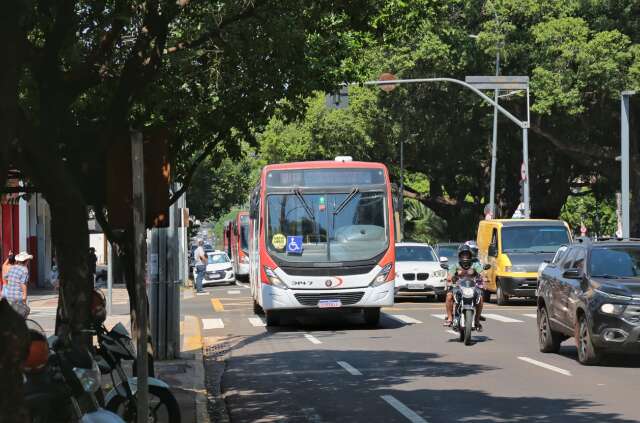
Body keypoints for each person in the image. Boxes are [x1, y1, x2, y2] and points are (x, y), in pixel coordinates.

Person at [444, 244, 485, 330]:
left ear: (470, 255)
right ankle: (450, 318)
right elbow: (449, 276)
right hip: (458, 287)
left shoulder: (475, 265)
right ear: (460, 256)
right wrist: (450, 278)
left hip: (472, 287)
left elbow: (482, 274)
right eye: (463, 254)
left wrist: (484, 277)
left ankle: (477, 320)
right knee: (449, 296)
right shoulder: (455, 265)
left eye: (467, 254)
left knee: (480, 297)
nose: (465, 256)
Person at [4, 252, 33, 318]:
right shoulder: (24, 270)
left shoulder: (12, 267)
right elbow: (23, 283)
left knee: (13, 314)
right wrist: (25, 296)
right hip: (19, 296)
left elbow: (5, 277)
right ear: (26, 261)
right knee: (26, 311)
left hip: (10, 295)